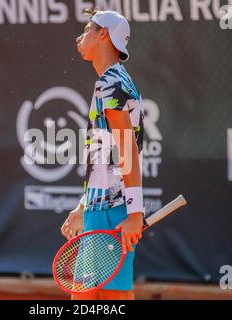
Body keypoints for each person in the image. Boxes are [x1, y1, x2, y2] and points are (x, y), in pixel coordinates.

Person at [60, 8, 145, 300]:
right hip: (99, 212)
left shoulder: (111, 83)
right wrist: (84, 206)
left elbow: (127, 149)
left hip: (114, 214)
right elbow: (103, 159)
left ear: (104, 34)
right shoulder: (109, 82)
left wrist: (135, 213)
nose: (80, 36)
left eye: (87, 29)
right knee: (84, 300)